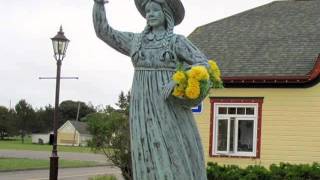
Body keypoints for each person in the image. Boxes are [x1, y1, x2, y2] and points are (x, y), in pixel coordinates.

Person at [93, 0, 208, 179]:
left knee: (172, 150)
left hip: (168, 106)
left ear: (166, 13)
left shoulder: (176, 41)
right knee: (146, 150)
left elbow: (203, 64)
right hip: (141, 108)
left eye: (155, 10)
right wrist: (99, 4)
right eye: (147, 11)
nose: (150, 14)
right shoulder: (135, 41)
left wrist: (179, 80)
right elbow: (104, 31)